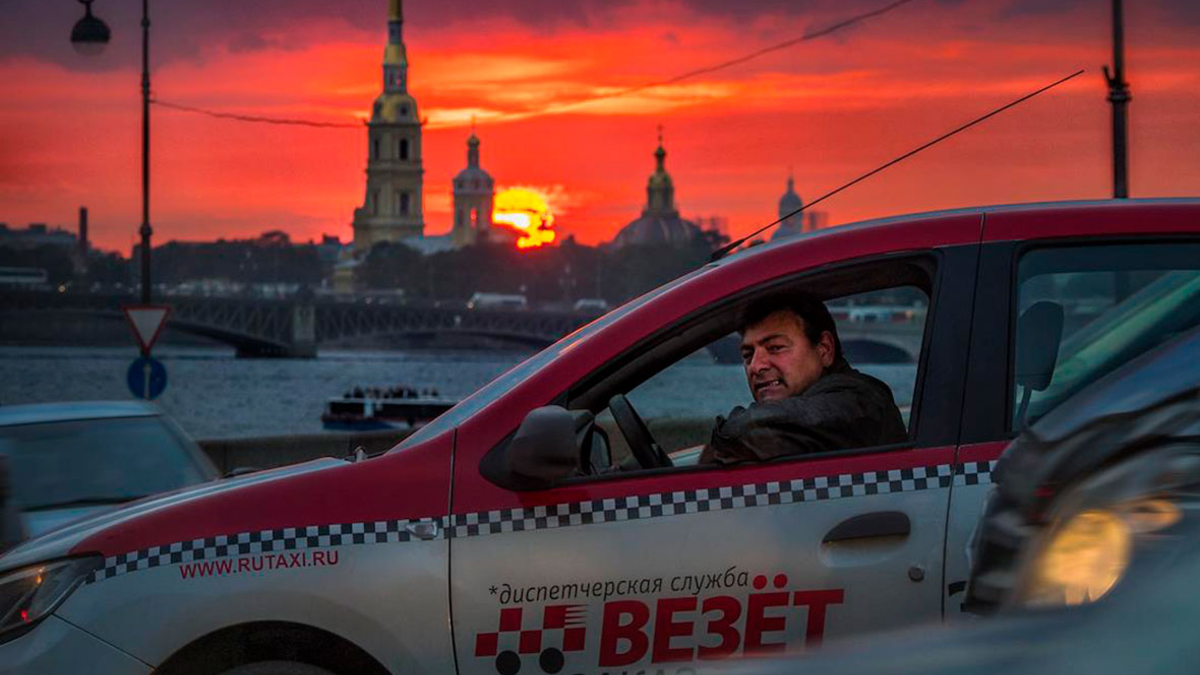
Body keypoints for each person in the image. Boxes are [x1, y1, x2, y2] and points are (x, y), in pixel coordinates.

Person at [699, 293, 907, 465]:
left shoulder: (858, 404)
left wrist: (723, 440)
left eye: (776, 348)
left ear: (824, 349)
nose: (756, 366)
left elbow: (746, 430)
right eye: (747, 355)